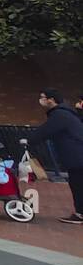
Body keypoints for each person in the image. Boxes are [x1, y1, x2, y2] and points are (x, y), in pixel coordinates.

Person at [25, 89, 83, 225]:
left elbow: (45, 131)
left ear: (51, 100)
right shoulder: (66, 113)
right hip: (77, 156)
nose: (41, 100)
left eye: (43, 97)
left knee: (78, 185)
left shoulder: (60, 115)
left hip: (77, 157)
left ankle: (80, 213)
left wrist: (28, 140)